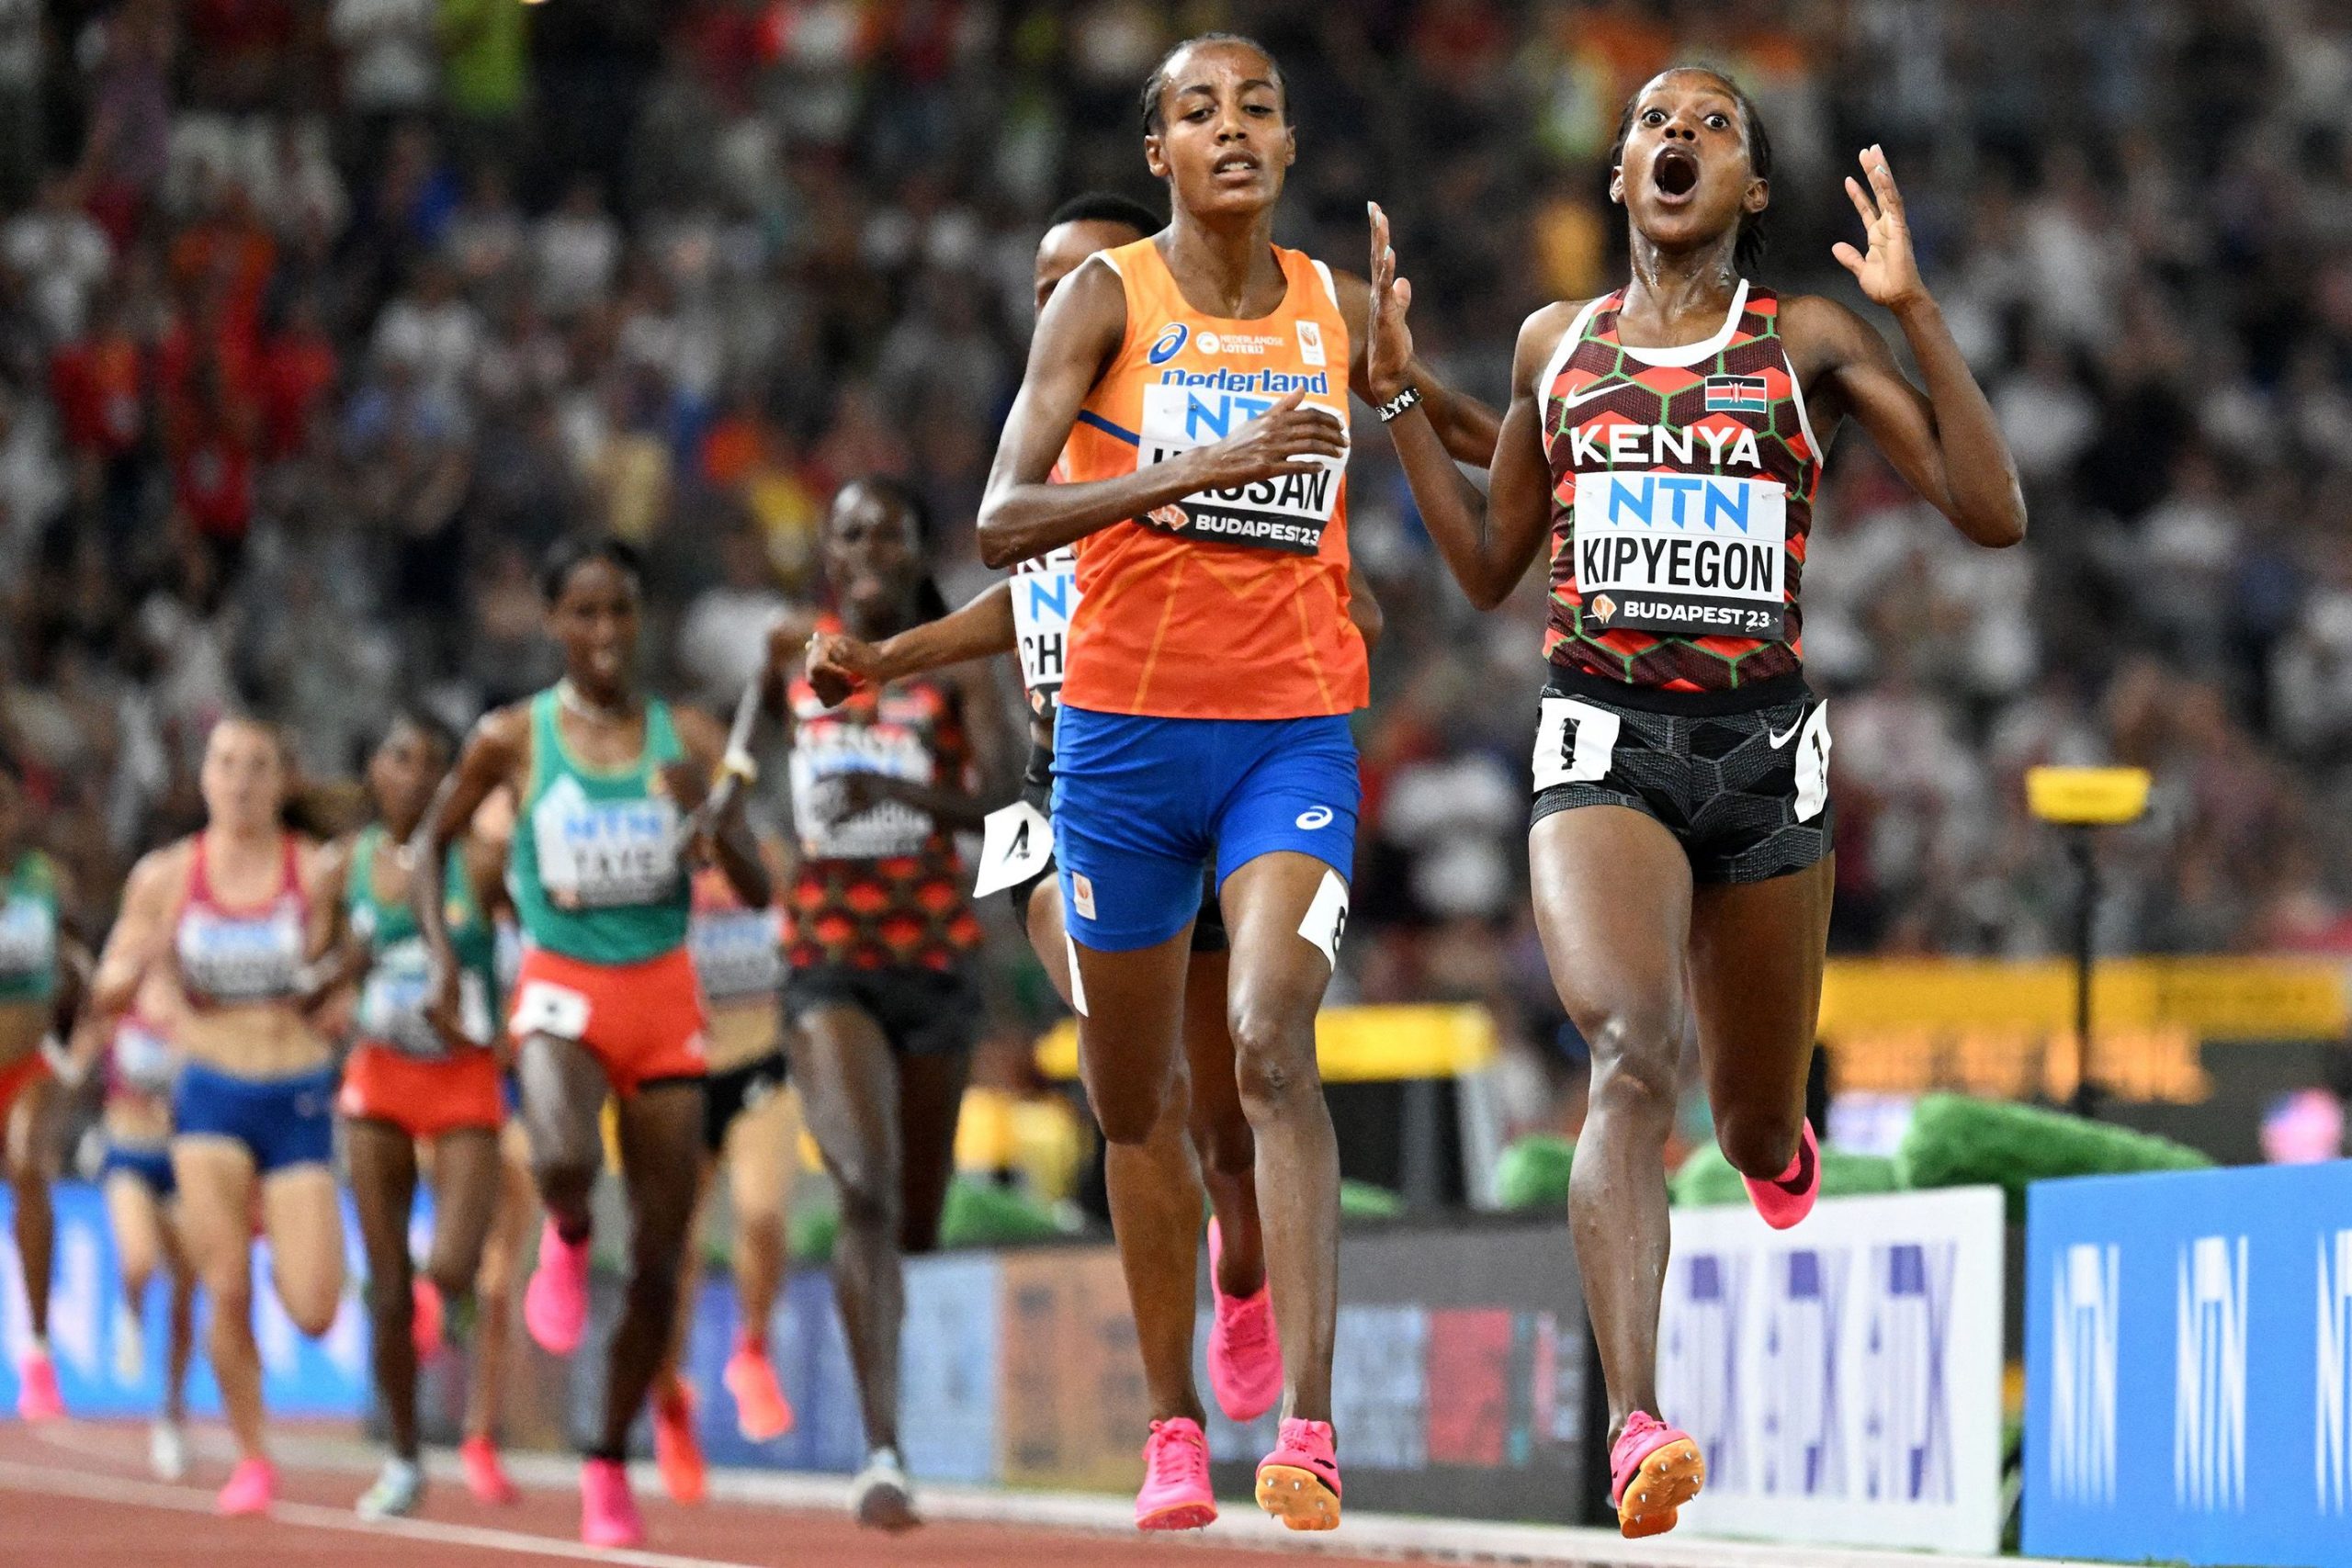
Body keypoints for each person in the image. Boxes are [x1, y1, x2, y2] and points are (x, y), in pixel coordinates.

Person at [1366, 67, 2026, 1538]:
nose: (1678, 136)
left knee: (1751, 1116)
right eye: (1655, 121)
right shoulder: (1561, 344)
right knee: (1625, 1047)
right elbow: (1487, 565)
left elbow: (1993, 510)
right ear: (1617, 174)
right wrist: (1400, 390)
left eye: (1715, 124)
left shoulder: (1810, 340)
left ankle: (1779, 1149)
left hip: (1762, 754)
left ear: (1756, 190)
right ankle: (1638, 1421)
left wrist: (1915, 311)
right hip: (1602, 736)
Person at [973, 34, 1498, 1533]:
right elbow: (1008, 516)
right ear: (1160, 153)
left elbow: (1438, 440)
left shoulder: (1331, 304)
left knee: (1270, 1038)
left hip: (1289, 736)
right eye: (1199, 111)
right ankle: (1171, 1420)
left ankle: (1313, 1426)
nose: (1233, 130)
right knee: (1137, 1099)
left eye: (1259, 106)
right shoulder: (1100, 299)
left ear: (1286, 140)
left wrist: (1402, 398)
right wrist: (1202, 471)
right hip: (1122, 747)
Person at [804, 192, 1386, 1526]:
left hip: (1226, 756)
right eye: (1043, 281)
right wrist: (889, 658)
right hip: (1069, 795)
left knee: (1243, 1083)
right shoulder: (1055, 447)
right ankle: (1172, 1407)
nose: (1060, 298)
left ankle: (1243, 1264)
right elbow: (1018, 599)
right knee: (1146, 1079)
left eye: (1083, 274)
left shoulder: (1179, 407)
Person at [413, 536, 766, 1550]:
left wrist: (710, 820)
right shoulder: (511, 738)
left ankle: (607, 1459)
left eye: (619, 612)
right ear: (552, 621)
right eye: (583, 613)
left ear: (640, 618)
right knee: (563, 1154)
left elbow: (758, 888)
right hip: (561, 985)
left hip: (663, 994)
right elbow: (431, 842)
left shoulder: (685, 734)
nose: (604, 634)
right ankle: (565, 1236)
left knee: (660, 1256)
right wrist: (445, 961)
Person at [741, 476, 1011, 1529]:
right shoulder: (784, 655)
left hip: (935, 960)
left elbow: (997, 794)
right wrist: (726, 813)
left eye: (888, 536)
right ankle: (882, 1447)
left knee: (916, 1216)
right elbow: (745, 766)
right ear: (830, 551)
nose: (869, 552)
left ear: (908, 553)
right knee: (861, 1182)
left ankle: (890, 1390)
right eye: (850, 535)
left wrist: (896, 792)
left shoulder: (952, 654)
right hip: (826, 959)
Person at [84, 717, 349, 1517]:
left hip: (296, 1092)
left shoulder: (317, 871)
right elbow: (104, 991)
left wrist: (339, 996)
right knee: (223, 1287)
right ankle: (254, 1454)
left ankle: (285, 1243)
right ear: (203, 776)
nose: (238, 780)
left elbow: (345, 978)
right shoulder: (165, 877)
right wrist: (138, 970)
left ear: (283, 780)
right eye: (225, 764)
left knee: (312, 1308)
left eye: (256, 766)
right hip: (210, 1101)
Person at [324, 709, 511, 1520]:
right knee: (391, 1287)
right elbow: (320, 967)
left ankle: (455, 1302)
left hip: (463, 1076)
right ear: (375, 771)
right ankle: (404, 1455)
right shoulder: (348, 864)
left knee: (453, 1267)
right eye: (401, 757)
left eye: (436, 763)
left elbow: (544, 925)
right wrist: (337, 970)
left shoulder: (480, 859)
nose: (418, 775)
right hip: (378, 1080)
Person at [646, 842, 799, 1508]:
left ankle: (752, 1350)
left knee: (762, 1212)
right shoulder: (655, 858)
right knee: (675, 1250)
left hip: (761, 1056)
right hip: (683, 1067)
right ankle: (671, 1401)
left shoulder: (768, 855)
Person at [0, 751, 89, 1423]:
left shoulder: (45, 880)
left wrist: (73, 1044)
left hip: (31, 1061)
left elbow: (82, 961)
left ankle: (37, 1350)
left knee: (31, 1165)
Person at [81, 980, 197, 1480]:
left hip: (182, 1160)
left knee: (188, 1286)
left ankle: (171, 1410)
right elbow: (73, 1053)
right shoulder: (115, 1007)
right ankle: (130, 1314)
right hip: (128, 1153)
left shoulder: (194, 1012)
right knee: (139, 1260)